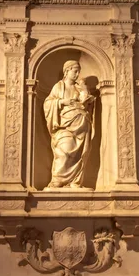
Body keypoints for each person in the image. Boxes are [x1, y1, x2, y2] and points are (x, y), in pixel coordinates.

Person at [43, 60, 95, 189]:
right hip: (64, 126)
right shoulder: (59, 86)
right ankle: (58, 180)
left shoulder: (79, 87)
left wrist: (84, 91)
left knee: (80, 155)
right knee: (64, 151)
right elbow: (48, 103)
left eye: (78, 71)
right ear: (67, 71)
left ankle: (75, 182)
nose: (77, 74)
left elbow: (85, 103)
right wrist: (61, 102)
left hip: (82, 126)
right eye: (75, 71)